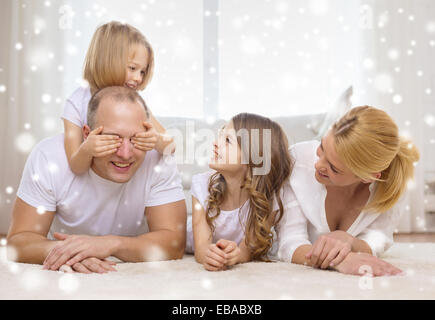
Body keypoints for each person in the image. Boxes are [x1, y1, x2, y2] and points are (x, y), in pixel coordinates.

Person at [6, 86, 186, 274]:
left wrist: (110, 244)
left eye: (136, 139)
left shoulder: (158, 159)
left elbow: (174, 244)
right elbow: (18, 242)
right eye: (112, 139)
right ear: (87, 134)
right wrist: (69, 252)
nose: (125, 154)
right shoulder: (49, 156)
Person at [276, 106, 419, 276]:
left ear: (367, 177)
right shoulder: (296, 162)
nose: (318, 164)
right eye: (322, 147)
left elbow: (379, 236)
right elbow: (289, 241)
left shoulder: (391, 184)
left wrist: (350, 241)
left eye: (334, 168)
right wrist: (340, 260)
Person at [186, 113, 297, 271]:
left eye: (227, 140)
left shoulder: (267, 200)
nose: (215, 143)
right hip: (188, 239)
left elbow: (246, 251)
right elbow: (201, 248)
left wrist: (234, 255)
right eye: (220, 135)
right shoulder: (202, 185)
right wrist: (209, 255)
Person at [63, 21, 174, 176]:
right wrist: (87, 150)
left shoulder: (134, 103)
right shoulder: (76, 103)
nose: (138, 78)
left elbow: (171, 146)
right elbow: (76, 167)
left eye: (142, 72)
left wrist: (157, 140)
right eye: (133, 68)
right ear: (107, 61)